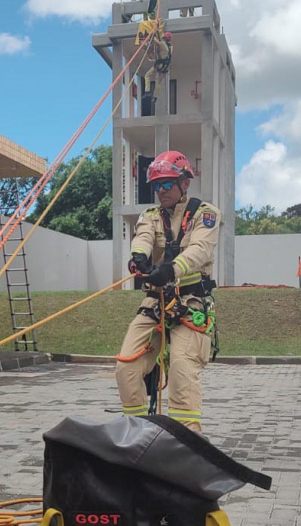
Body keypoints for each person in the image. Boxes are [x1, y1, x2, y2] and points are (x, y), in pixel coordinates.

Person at [116, 150, 222, 433]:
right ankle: (137, 431)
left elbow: (200, 250)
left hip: (191, 301)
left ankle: (186, 439)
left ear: (184, 183)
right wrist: (138, 257)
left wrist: (171, 270)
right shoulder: (150, 216)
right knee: (126, 367)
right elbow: (143, 237)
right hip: (155, 302)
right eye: (156, 185)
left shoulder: (206, 214)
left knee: (181, 370)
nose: (161, 190)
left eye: (166, 183)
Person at [143, 31, 172, 114]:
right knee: (158, 83)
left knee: (147, 75)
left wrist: (151, 34)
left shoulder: (162, 44)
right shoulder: (170, 47)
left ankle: (147, 92)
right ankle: (155, 97)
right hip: (165, 68)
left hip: (159, 65)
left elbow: (154, 40)